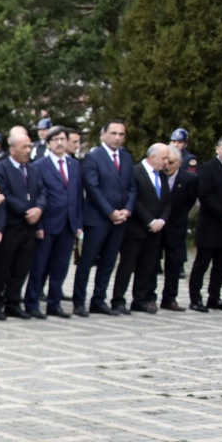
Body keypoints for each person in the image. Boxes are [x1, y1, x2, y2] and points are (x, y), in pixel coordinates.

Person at [76, 119, 134, 316]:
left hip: (120, 220)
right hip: (98, 219)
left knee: (109, 262)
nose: (117, 138)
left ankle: (99, 300)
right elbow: (92, 188)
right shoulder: (93, 157)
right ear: (104, 135)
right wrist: (110, 212)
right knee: (87, 261)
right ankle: (79, 301)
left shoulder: (126, 157)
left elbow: (132, 187)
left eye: (121, 134)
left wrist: (127, 209)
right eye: (114, 133)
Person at [0, 130, 43, 320]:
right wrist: (27, 210)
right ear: (12, 150)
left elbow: (43, 192)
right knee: (2, 268)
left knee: (21, 268)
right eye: (24, 147)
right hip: (10, 226)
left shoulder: (34, 169)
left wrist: (39, 209)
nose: (28, 150)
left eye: (29, 147)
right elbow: (4, 195)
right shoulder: (0, 168)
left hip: (29, 228)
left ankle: (13, 302)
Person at [29, 128, 82, 318]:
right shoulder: (39, 165)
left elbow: (76, 195)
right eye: (55, 139)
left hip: (68, 224)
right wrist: (39, 225)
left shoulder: (74, 164)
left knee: (61, 266)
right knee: (39, 266)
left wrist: (78, 224)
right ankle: (32, 302)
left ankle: (54, 303)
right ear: (48, 143)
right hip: (47, 223)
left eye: (63, 139)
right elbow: (36, 196)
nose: (60, 143)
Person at [114, 144, 172, 314]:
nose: (166, 162)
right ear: (152, 157)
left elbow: (168, 201)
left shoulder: (162, 176)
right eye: (164, 158)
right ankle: (118, 299)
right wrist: (150, 221)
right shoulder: (135, 171)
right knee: (127, 265)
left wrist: (162, 220)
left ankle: (139, 300)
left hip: (156, 231)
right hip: (136, 229)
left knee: (147, 267)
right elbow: (134, 199)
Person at [191, 136, 222, 312]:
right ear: (217, 149)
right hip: (211, 224)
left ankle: (215, 297)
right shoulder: (206, 168)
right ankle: (195, 299)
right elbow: (205, 196)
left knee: (221, 265)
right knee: (202, 264)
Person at [161, 139, 199, 311]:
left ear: (180, 163)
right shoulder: (157, 174)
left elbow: (189, 201)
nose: (167, 165)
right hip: (155, 226)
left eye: (172, 162)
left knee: (174, 264)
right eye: (165, 161)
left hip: (176, 226)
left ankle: (170, 298)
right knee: (149, 263)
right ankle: (147, 296)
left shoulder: (190, 178)